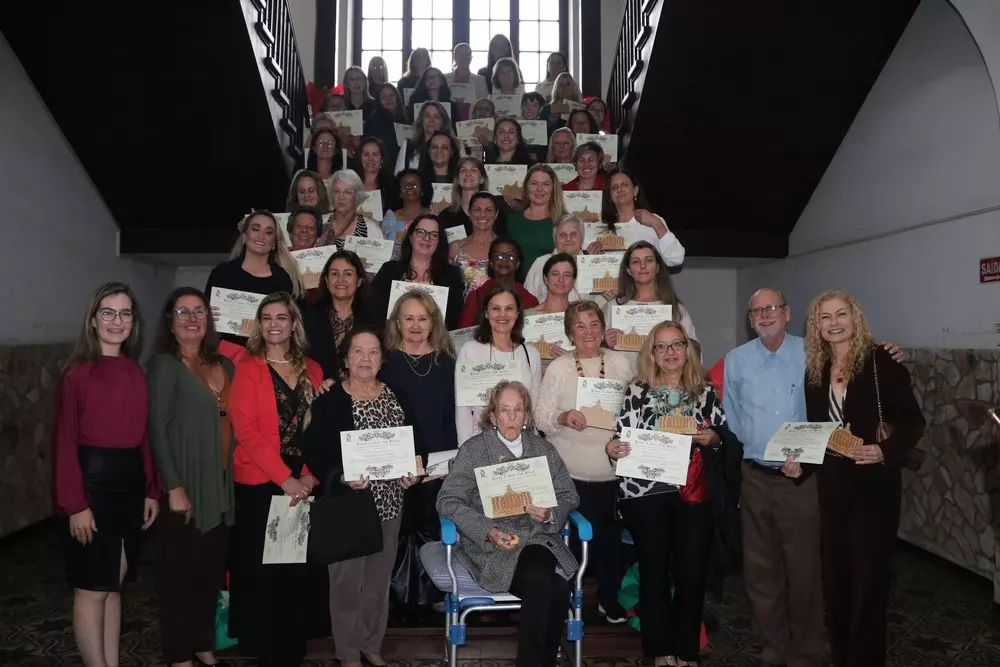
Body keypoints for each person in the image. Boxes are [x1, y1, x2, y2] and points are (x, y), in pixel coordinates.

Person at [724, 288, 904, 667]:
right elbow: (734, 418)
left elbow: (853, 361)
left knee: (806, 572)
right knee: (760, 574)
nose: (765, 314)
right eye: (757, 310)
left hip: (802, 480)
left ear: (787, 313)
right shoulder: (735, 361)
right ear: (750, 318)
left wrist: (889, 350)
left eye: (772, 307)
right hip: (755, 477)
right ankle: (772, 649)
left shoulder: (813, 353)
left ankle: (806, 653)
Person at [796, 290, 924, 667]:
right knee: (838, 584)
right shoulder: (815, 371)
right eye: (825, 317)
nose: (834, 323)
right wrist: (799, 463)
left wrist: (886, 451)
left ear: (856, 318)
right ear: (815, 326)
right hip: (832, 489)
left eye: (841, 314)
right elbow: (817, 432)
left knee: (869, 586)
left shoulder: (881, 361)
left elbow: (914, 422)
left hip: (874, 490)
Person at [606, 321, 740, 667]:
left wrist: (714, 439)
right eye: (661, 346)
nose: (670, 353)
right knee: (652, 572)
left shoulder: (705, 390)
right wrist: (612, 446)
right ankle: (659, 650)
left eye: (676, 345)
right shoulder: (637, 388)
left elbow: (722, 436)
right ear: (652, 352)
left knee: (691, 573)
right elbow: (621, 435)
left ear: (687, 349)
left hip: (692, 493)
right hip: (645, 494)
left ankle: (685, 651)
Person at [52, 282, 161, 667]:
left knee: (113, 588)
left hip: (129, 486)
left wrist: (151, 489)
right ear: (94, 321)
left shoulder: (134, 370)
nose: (117, 321)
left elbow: (142, 435)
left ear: (134, 322)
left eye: (125, 313)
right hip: (92, 486)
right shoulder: (77, 374)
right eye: (109, 313)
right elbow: (64, 443)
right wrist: (75, 505)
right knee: (91, 589)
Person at [437, 380, 580, 667]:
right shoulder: (474, 450)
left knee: (545, 582)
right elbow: (448, 500)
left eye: (518, 409)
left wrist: (551, 513)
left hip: (537, 537)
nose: (512, 417)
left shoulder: (543, 449)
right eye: (504, 410)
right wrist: (486, 530)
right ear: (492, 416)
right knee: (556, 588)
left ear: (527, 416)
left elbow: (569, 494)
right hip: (494, 544)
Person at [303, 326, 421, 667]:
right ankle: (348, 652)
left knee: (377, 584)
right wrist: (340, 476)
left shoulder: (397, 395)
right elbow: (314, 449)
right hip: (348, 506)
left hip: (390, 505)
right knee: (345, 585)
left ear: (382, 359)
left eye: (372, 352)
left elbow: (415, 442)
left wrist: (413, 469)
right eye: (358, 351)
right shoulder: (330, 401)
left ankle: (371, 643)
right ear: (346, 358)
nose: (365, 359)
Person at [228, 292, 324, 666]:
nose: (273, 324)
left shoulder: (312, 370)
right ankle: (263, 647)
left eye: (281, 317)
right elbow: (246, 431)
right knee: (260, 570)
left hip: (302, 477)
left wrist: (308, 476)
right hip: (259, 479)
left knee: (291, 566)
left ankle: (290, 647)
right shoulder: (247, 366)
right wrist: (285, 480)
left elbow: (319, 431)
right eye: (266, 318)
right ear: (258, 324)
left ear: (293, 323)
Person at [147, 287, 234, 667]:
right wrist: (174, 486)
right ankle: (179, 653)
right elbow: (156, 428)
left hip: (219, 484)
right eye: (183, 311)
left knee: (208, 573)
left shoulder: (223, 365)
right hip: (185, 484)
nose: (192, 318)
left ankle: (201, 641)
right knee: (178, 578)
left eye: (199, 311)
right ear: (170, 320)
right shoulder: (165, 365)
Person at [535, 301, 632, 623]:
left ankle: (608, 598)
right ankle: (562, 601)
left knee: (609, 542)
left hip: (611, 470)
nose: (588, 331)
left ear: (603, 329)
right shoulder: (560, 368)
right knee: (568, 542)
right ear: (569, 332)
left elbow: (635, 410)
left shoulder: (620, 363)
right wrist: (563, 416)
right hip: (569, 472)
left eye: (594, 324)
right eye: (580, 325)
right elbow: (541, 417)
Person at [455, 284, 542, 444]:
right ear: (486, 313)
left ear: (517, 314)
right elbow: (462, 408)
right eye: (496, 308)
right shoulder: (470, 351)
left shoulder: (531, 354)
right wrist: (465, 448)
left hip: (523, 443)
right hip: (481, 442)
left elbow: (535, 404)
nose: (502, 315)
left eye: (509, 308)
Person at [205, 210, 299, 358]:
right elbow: (205, 317)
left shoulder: (282, 279)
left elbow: (288, 323)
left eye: (268, 232)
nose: (261, 236)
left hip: (268, 357)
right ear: (244, 236)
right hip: (225, 358)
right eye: (255, 229)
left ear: (274, 242)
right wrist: (207, 314)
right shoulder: (222, 273)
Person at [603, 241, 696, 371]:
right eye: (636, 261)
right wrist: (606, 344)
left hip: (664, 385)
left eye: (649, 260)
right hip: (625, 383)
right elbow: (596, 354)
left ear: (658, 267)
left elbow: (693, 352)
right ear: (628, 270)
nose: (643, 266)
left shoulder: (676, 310)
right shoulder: (613, 307)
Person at [370, 213, 466, 330]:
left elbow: (454, 317)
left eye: (434, 235)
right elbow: (374, 311)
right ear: (410, 237)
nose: (427, 238)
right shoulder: (389, 270)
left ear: (439, 242)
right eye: (421, 232)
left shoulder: (451, 275)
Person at [301, 250, 374, 378]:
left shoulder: (373, 320)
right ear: (327, 281)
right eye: (334, 273)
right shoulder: (308, 318)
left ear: (359, 281)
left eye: (348, 273)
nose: (340, 279)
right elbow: (300, 360)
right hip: (320, 392)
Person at [590, 168, 685, 266]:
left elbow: (676, 259)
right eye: (614, 187)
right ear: (610, 196)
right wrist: (592, 258)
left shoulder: (653, 221)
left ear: (635, 190)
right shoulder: (600, 228)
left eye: (624, 185)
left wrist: (657, 224)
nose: (619, 189)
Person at [457, 237, 539, 328]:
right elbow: (462, 333)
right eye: (498, 256)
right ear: (491, 262)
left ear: (518, 263)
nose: (504, 260)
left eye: (510, 256)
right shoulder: (476, 297)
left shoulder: (530, 300)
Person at [505, 164, 566, 272]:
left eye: (546, 184)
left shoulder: (564, 222)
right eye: (534, 183)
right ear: (526, 187)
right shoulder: (512, 221)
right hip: (518, 286)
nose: (539, 189)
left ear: (553, 189)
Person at [448, 189, 499, 298]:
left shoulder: (504, 249)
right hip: (462, 312)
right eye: (477, 210)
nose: (483, 215)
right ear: (469, 213)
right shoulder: (456, 247)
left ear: (496, 214)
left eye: (489, 210)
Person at [524, 214, 584, 303]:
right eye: (562, 235)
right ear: (555, 239)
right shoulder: (541, 263)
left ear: (582, 239)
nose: (568, 238)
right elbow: (528, 301)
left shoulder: (593, 266)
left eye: (573, 234)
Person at [317, 169, 376, 248]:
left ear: (357, 196)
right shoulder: (319, 223)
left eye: (347, 192)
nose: (341, 197)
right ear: (331, 195)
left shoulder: (372, 230)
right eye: (337, 191)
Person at [381, 169, 432, 258]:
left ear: (423, 190)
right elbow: (381, 248)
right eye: (405, 185)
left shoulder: (433, 217)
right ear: (399, 192)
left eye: (414, 185)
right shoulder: (390, 217)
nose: (410, 187)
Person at [395, 100, 453, 174]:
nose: (431, 120)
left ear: (443, 121)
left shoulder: (456, 145)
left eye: (436, 117)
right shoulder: (408, 145)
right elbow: (398, 177)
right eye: (427, 116)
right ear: (421, 120)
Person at [439, 157, 490, 237]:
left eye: (473, 170)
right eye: (463, 170)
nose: (468, 174)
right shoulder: (446, 216)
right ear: (458, 180)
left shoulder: (492, 215)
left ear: (482, 179)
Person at [523, 252, 575, 318]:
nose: (561, 280)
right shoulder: (527, 317)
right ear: (546, 278)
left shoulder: (580, 315)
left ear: (573, 281)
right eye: (555, 274)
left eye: (567, 275)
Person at [445, 43, 490, 109]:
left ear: (471, 57)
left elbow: (485, 105)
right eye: (461, 55)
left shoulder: (480, 81)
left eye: (467, 55)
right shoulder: (445, 78)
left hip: (472, 118)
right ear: (454, 57)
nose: (465, 57)